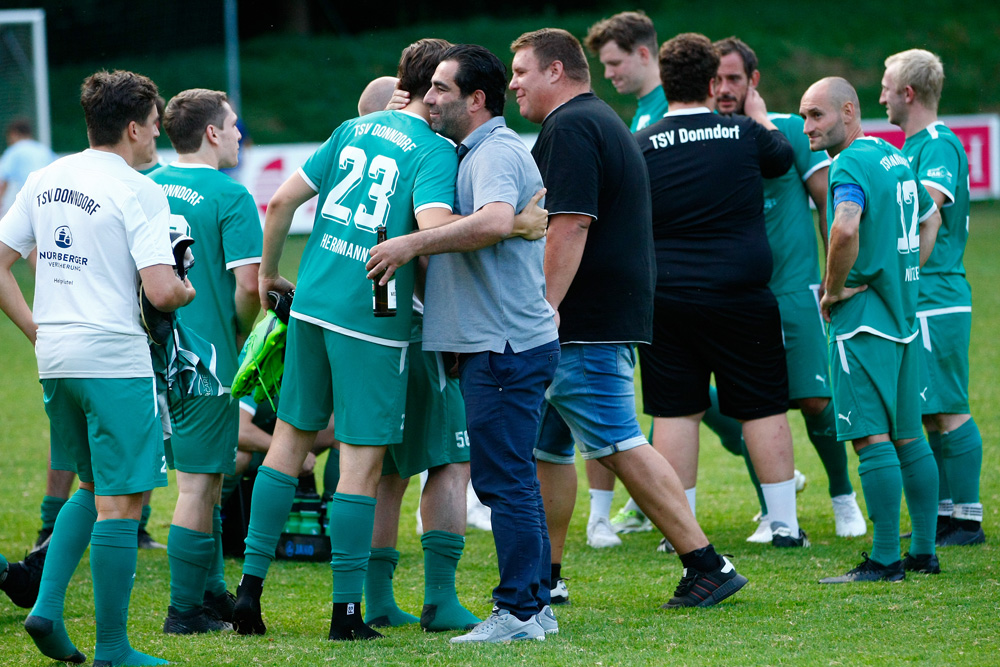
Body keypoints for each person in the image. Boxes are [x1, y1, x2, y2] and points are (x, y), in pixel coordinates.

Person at [509, 27, 747, 609]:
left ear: (556, 72)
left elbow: (570, 224)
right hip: (589, 315)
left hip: (580, 320)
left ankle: (707, 564)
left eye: (521, 71)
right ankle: (547, 574)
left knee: (617, 442)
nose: (512, 83)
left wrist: (541, 310)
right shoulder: (595, 120)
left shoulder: (571, 127)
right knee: (549, 450)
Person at [231, 38, 459, 642]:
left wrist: (266, 277)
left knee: (286, 445)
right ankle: (347, 613)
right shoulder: (435, 151)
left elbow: (280, 201)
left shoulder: (351, 129)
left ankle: (248, 595)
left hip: (311, 303)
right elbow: (434, 231)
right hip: (373, 319)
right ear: (428, 91)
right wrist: (505, 223)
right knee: (360, 465)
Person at [0, 69, 195, 666]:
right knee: (126, 499)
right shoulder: (141, 189)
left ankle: (47, 609)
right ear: (133, 128)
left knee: (93, 486)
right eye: (156, 127)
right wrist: (187, 289)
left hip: (57, 358)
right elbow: (162, 293)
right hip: (114, 356)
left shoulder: (45, 176)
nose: (158, 138)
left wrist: (39, 332)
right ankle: (113, 648)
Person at [367, 43, 559, 642]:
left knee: (504, 480)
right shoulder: (472, 152)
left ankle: (519, 613)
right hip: (496, 343)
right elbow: (499, 226)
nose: (430, 97)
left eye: (443, 89)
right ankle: (533, 606)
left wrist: (408, 246)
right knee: (510, 477)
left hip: (505, 346)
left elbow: (498, 220)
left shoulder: (496, 153)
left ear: (476, 100)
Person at [634, 32, 806, 551]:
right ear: (713, 83)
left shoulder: (640, 145)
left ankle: (677, 530)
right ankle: (783, 524)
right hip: (741, 293)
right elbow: (782, 157)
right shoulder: (745, 133)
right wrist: (756, 110)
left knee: (675, 411)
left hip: (668, 297)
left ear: (664, 84)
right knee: (762, 406)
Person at [712, 36, 865, 542]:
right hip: (736, 295)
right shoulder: (707, 138)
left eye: (734, 78)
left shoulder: (788, 131)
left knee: (816, 400)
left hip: (796, 287)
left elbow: (827, 203)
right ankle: (770, 508)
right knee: (750, 406)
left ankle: (843, 497)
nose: (725, 88)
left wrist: (830, 275)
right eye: (716, 80)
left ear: (752, 81)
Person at [351, 73, 482, 635]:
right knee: (451, 460)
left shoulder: (352, 146)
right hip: (412, 327)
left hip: (356, 323)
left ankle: (377, 598)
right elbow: (430, 247)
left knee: (380, 470)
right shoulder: (427, 153)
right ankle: (440, 598)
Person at [798, 76, 943, 583]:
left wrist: (833, 289)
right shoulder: (894, 155)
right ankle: (923, 552)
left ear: (849, 111)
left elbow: (844, 226)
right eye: (803, 116)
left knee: (871, 439)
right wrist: (904, 273)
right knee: (910, 438)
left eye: (817, 115)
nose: (807, 126)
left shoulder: (850, 164)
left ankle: (884, 560)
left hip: (863, 325)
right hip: (903, 320)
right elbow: (930, 221)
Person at [150, 88, 263, 634]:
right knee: (198, 487)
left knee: (208, 478)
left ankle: (211, 590)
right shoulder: (230, 195)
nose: (240, 134)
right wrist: (246, 329)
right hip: (205, 359)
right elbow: (248, 285)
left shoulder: (146, 185)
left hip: (150, 355)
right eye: (234, 125)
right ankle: (183, 610)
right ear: (213, 133)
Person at [880, 49, 984, 547]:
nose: (879, 95)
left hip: (937, 289)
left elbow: (929, 209)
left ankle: (967, 520)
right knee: (927, 408)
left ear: (908, 93)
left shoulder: (938, 144)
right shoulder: (915, 145)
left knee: (949, 407)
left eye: (885, 85)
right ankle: (945, 516)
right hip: (923, 292)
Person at [584, 10, 668, 132]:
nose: (608, 74)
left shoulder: (676, 104)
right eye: (606, 65)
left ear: (643, 55)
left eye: (615, 63)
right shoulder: (643, 110)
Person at [0, 118, 56, 217]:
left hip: (31, 199)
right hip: (51, 197)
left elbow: (3, 180)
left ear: (14, 133)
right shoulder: (43, 149)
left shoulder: (14, 150)